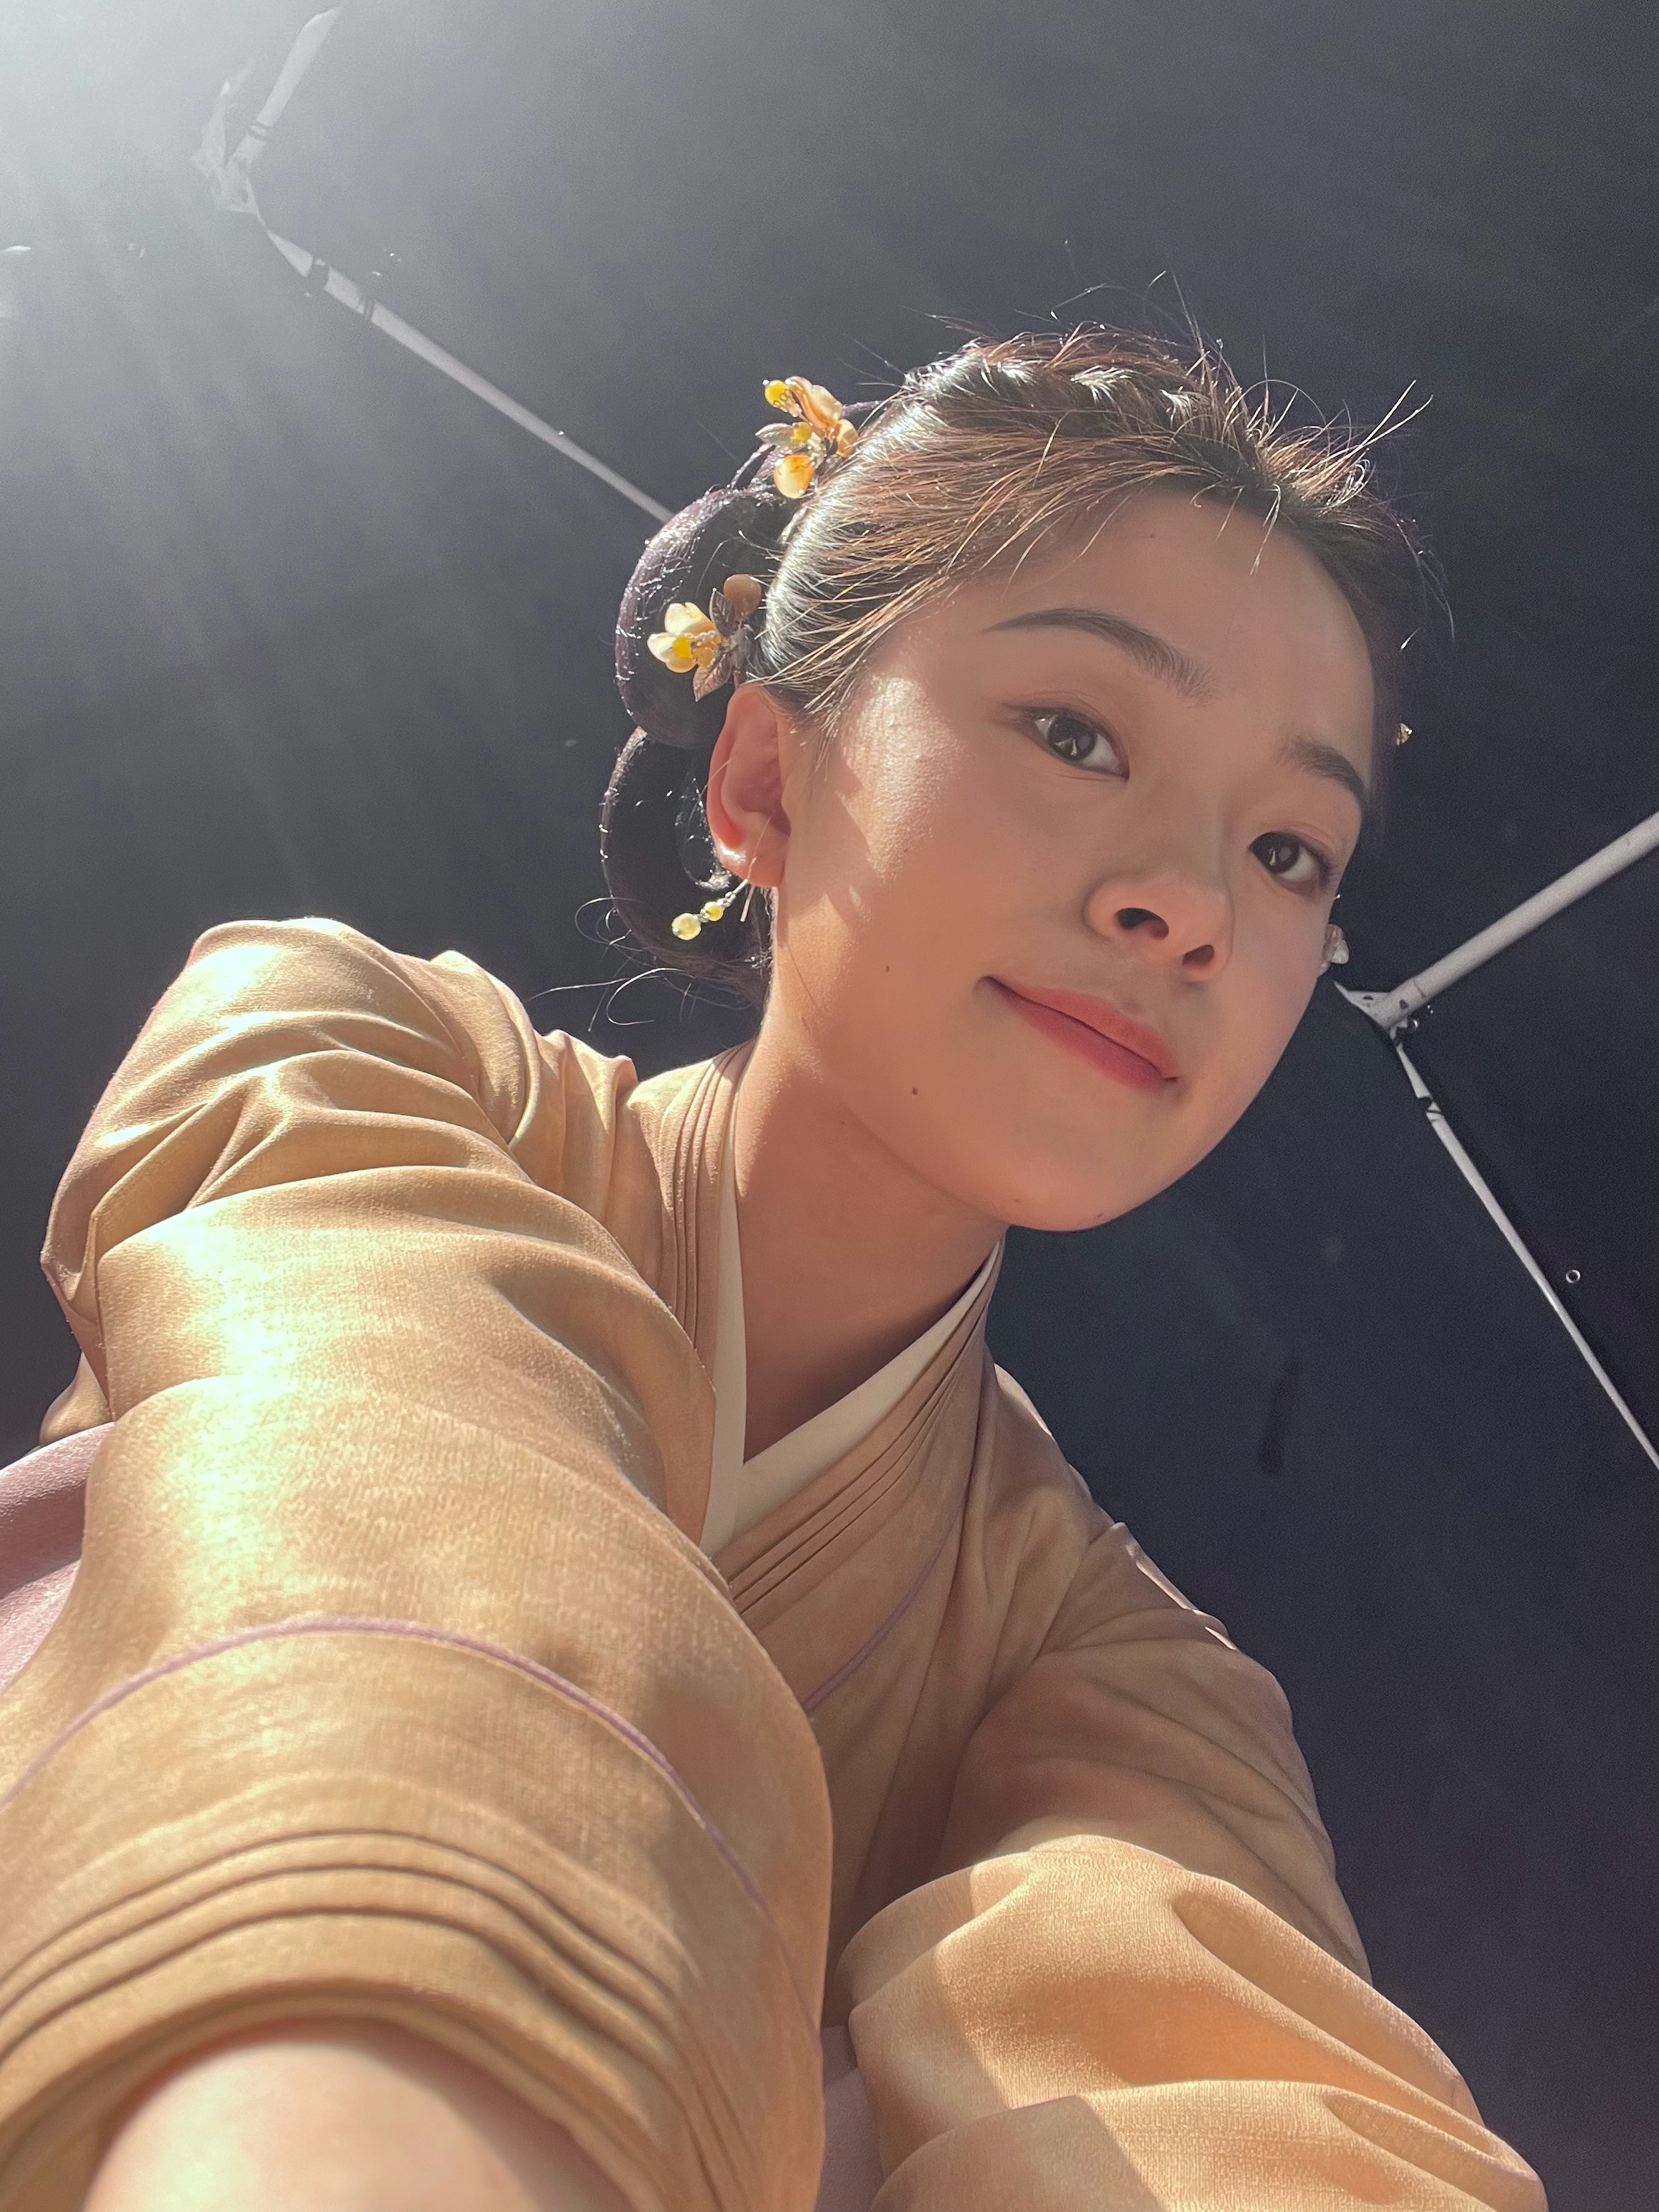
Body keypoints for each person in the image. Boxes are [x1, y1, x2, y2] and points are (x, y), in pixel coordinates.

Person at [0, 331, 1546, 2211]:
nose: (1194, 905)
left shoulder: (1114, 1650)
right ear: (763, 780)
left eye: (1292, 848)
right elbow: (366, 1444)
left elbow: (1218, 2075)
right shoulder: (347, 1047)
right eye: (1077, 734)